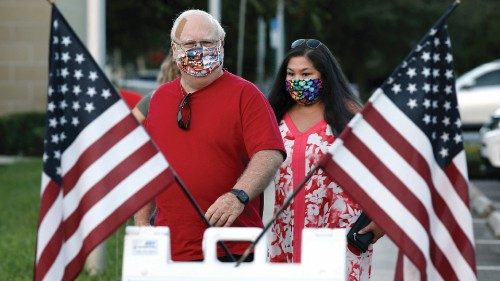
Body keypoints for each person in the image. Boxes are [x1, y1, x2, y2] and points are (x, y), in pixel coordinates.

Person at [133, 9, 285, 262]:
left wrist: (238, 195)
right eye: (190, 44)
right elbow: (149, 165)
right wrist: (141, 222)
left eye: (207, 42)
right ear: (174, 49)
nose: (199, 50)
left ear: (221, 45)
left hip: (232, 248)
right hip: (169, 250)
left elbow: (269, 152)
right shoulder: (158, 100)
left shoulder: (246, 95)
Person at [267, 39, 384, 280]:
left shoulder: (348, 113)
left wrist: (382, 218)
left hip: (338, 231)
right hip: (285, 232)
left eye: (306, 73)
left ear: (324, 76)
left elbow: (382, 167)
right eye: (291, 74)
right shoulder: (274, 115)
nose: (297, 80)